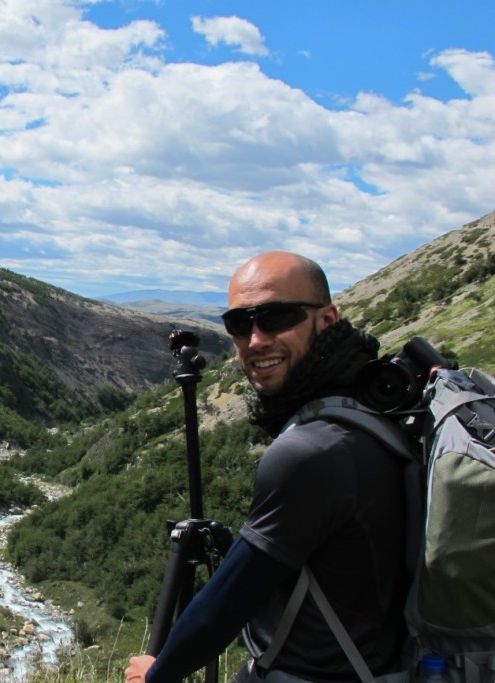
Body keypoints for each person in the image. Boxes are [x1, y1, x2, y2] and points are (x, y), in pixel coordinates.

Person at [126, 251, 409, 683]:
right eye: (240, 324)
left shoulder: (312, 451)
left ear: (328, 319)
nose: (256, 340)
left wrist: (157, 673)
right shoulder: (375, 410)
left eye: (277, 317)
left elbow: (224, 606)